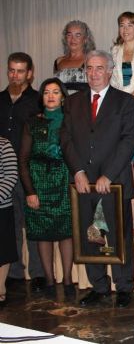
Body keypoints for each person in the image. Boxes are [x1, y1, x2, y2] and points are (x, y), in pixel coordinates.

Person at [60, 50, 134, 308]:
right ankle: (99, 286)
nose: (93, 73)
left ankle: (124, 286)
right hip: (83, 184)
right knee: (90, 234)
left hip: (113, 182)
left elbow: (129, 140)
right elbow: (66, 140)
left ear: (110, 71)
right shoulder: (72, 103)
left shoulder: (125, 102)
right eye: (89, 68)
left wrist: (109, 174)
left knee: (119, 235)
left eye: (99, 68)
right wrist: (78, 171)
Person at [18, 78, 75, 297]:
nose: (51, 96)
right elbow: (23, 160)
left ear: (62, 97)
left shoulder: (71, 121)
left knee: (65, 232)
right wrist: (30, 191)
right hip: (38, 183)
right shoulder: (32, 122)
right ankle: (50, 281)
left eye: (56, 92)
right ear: (41, 97)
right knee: (42, 233)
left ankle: (68, 281)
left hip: (63, 182)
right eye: (46, 92)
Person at [0, 53, 45, 291]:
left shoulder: (38, 100)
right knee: (10, 224)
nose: (15, 75)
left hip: (29, 171)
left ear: (30, 73)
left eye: (20, 71)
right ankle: (15, 271)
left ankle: (38, 273)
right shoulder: (0, 100)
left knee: (34, 223)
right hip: (4, 172)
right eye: (11, 70)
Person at [0, 136, 18, 307]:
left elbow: (11, 175)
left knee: (2, 251)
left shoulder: (4, 144)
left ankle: (0, 290)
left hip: (1, 207)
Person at [54, 20, 96, 92]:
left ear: (85, 39)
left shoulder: (91, 60)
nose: (73, 39)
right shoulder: (58, 61)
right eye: (69, 35)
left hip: (82, 102)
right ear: (65, 38)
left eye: (78, 35)